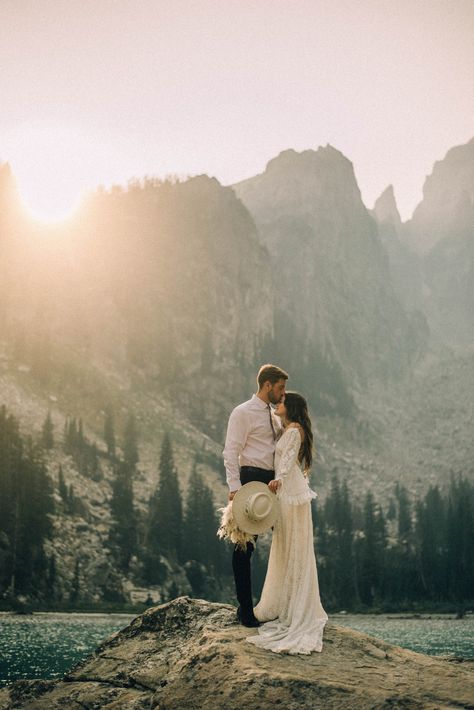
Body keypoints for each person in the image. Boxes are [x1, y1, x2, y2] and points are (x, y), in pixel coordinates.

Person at [247, 391, 328, 654]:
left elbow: (287, 458)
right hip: (287, 493)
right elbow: (267, 413)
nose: (276, 404)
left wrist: (278, 479)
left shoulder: (294, 430)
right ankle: (285, 604)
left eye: (280, 402)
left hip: (290, 492)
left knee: (293, 546)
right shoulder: (288, 426)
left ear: (289, 407)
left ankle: (295, 608)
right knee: (285, 545)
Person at [223, 363, 288, 627]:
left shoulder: (274, 416)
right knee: (243, 545)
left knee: (271, 544)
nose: (283, 394)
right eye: (280, 388)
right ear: (267, 385)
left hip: (270, 484)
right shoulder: (243, 412)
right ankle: (245, 609)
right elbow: (230, 451)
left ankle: (273, 604)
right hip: (249, 479)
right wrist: (234, 487)